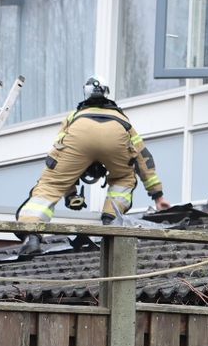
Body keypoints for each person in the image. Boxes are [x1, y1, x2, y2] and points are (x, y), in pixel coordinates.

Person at [15, 75, 172, 253]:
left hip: (79, 132)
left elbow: (59, 158)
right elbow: (143, 158)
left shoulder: (74, 116)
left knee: (51, 184)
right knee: (124, 178)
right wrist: (158, 196)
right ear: (106, 93)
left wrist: (71, 195)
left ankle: (31, 235)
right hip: (116, 133)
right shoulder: (122, 118)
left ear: (85, 93)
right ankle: (111, 220)